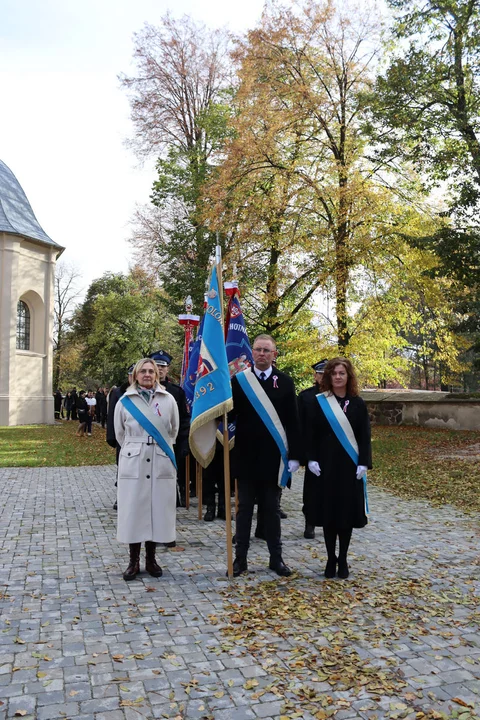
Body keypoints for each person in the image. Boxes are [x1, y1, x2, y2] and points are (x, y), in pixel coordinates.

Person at [229, 334, 301, 577]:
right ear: (252, 353)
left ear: (274, 354)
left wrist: (295, 456)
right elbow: (230, 414)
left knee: (271, 510)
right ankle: (240, 559)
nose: (261, 354)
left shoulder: (286, 382)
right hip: (246, 456)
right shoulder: (239, 381)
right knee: (244, 510)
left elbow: (293, 422)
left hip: (274, 459)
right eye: (258, 350)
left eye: (266, 350)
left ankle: (276, 559)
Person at [305, 357, 372, 579]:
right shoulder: (319, 401)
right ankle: (330, 558)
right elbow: (311, 433)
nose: (337, 377)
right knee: (329, 515)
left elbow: (364, 436)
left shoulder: (358, 403)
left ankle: (342, 558)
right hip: (325, 466)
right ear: (328, 377)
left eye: (342, 373)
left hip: (349, 467)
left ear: (348, 376)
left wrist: (364, 462)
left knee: (346, 515)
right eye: (333, 373)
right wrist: (311, 458)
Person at [114, 358, 179, 581]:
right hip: (135, 460)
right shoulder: (125, 401)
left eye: (152, 371)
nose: (148, 374)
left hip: (160, 458)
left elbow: (173, 431)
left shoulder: (168, 399)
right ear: (135, 375)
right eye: (143, 371)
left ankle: (151, 560)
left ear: (157, 375)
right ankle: (133, 561)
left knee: (156, 511)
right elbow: (120, 434)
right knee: (134, 511)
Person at [148, 350, 190, 509]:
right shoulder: (143, 391)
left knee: (170, 475)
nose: (159, 369)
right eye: (156, 366)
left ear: (167, 369)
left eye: (162, 366)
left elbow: (184, 420)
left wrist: (183, 442)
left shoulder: (176, 392)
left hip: (171, 442)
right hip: (149, 443)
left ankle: (172, 500)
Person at [298, 359, 328, 540]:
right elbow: (298, 426)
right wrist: (303, 455)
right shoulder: (305, 397)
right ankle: (309, 523)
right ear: (315, 376)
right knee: (311, 491)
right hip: (312, 450)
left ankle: (329, 521)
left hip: (332, 450)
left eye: (327, 375)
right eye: (321, 374)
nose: (324, 378)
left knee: (331, 489)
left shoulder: (339, 396)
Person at [107, 365, 135, 510]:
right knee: (123, 469)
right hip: (123, 440)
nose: (133, 378)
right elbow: (112, 415)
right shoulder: (118, 392)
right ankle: (120, 496)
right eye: (131, 375)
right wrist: (112, 438)